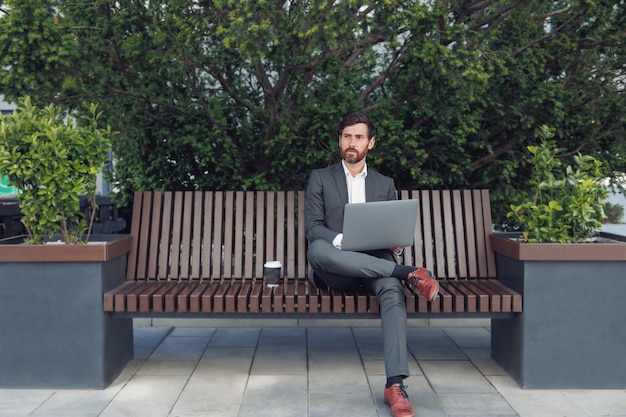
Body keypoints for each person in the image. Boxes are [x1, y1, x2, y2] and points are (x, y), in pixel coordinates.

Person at [304, 112, 439, 417]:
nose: (352, 143)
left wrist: (394, 240)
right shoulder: (320, 178)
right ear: (340, 140)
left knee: (392, 290)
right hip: (335, 268)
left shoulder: (384, 183)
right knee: (317, 251)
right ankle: (409, 274)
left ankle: (395, 385)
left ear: (371, 143)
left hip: (376, 265)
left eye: (359, 137)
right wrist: (343, 239)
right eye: (347, 136)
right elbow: (313, 228)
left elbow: (388, 231)